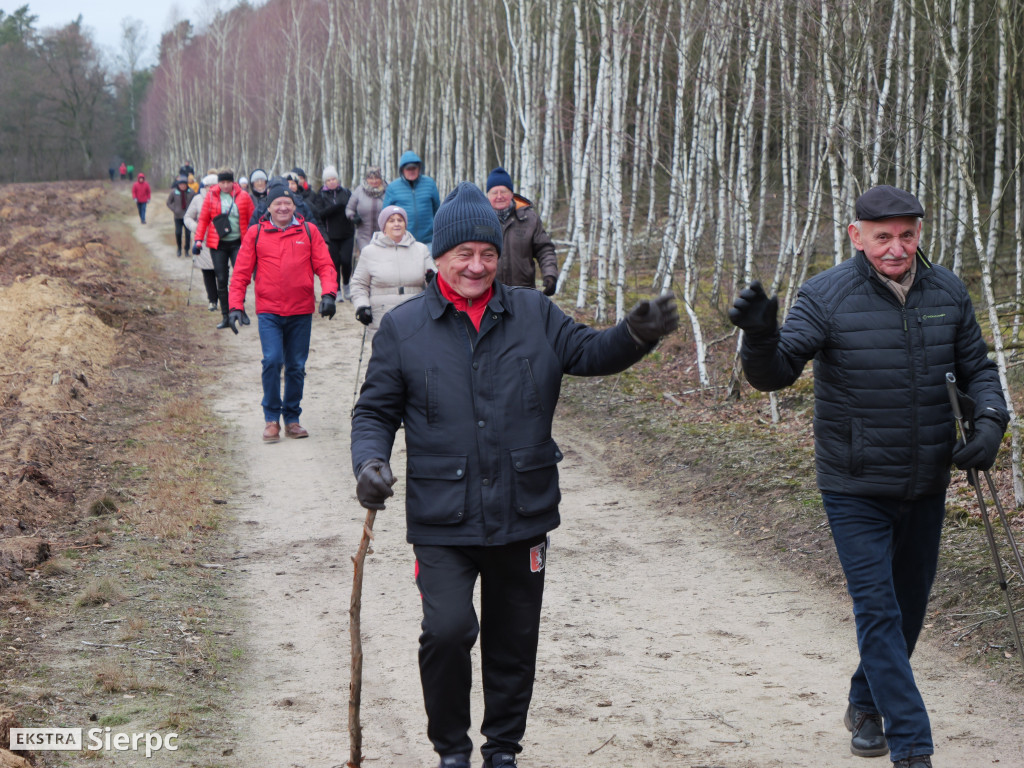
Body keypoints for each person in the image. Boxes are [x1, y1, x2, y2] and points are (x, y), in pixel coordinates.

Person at [350, 182, 679, 768]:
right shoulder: (403, 330)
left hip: (521, 513)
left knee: (513, 643)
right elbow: (374, 410)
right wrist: (369, 462)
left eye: (488, 255)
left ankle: (502, 751)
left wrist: (636, 335)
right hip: (442, 518)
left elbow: (591, 353)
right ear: (440, 258)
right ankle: (452, 751)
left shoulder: (533, 312)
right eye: (464, 255)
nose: (477, 266)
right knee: (448, 632)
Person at [728, 185, 1008, 768]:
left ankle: (864, 701)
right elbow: (775, 374)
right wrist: (759, 337)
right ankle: (912, 749)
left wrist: (990, 422)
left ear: (918, 235)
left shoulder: (947, 290)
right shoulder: (826, 294)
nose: (896, 248)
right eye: (883, 236)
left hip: (928, 480)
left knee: (906, 611)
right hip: (854, 485)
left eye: (907, 235)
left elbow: (977, 368)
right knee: (877, 610)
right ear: (857, 235)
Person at [228, 180, 338, 442]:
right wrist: (235, 306)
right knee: (273, 360)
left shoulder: (309, 231)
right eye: (277, 203)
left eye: (287, 203)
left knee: (296, 366)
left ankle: (292, 418)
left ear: (294, 206)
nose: (283, 207)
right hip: (270, 311)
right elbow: (241, 273)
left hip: (300, 311)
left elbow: (325, 266)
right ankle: (271, 419)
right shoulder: (256, 234)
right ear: (268, 207)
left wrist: (329, 294)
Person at [349, 204, 433, 336]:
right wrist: (362, 306)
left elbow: (436, 284)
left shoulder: (421, 249)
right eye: (391, 220)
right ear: (384, 226)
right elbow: (359, 284)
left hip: (414, 313)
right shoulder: (369, 252)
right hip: (382, 316)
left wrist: (433, 280)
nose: (396, 224)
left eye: (400, 220)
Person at [194, 169, 255, 330]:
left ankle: (240, 310)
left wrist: (253, 241)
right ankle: (226, 316)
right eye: (222, 182)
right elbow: (203, 220)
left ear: (233, 182)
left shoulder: (244, 197)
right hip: (218, 244)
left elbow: (252, 219)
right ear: (218, 183)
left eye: (228, 182)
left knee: (239, 278)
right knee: (221, 279)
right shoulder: (211, 196)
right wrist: (198, 240)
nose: (226, 185)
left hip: (238, 243)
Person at [485, 167, 558, 295]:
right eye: (494, 192)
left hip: (523, 293)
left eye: (504, 191)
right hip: (488, 293)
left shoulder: (529, 218)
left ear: (512, 193)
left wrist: (550, 275)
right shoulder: (479, 220)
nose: (499, 196)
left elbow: (545, 249)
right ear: (487, 195)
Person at [312, 165, 356, 301]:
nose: (332, 182)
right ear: (325, 182)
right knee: (334, 263)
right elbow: (319, 214)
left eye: (334, 179)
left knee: (347, 261)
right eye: (328, 180)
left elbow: (353, 207)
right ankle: (337, 291)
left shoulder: (346, 192)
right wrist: (336, 208)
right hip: (331, 235)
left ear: (338, 180)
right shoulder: (321, 195)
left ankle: (347, 285)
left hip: (347, 233)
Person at [382, 150, 441, 245]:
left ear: (419, 169)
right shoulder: (393, 187)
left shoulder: (430, 184)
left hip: (428, 240)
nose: (411, 171)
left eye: (414, 168)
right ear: (402, 170)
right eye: (408, 169)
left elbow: (437, 210)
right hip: (402, 240)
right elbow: (385, 214)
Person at [183, 174, 221, 312]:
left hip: (221, 240)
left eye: (214, 185)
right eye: (209, 186)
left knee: (222, 272)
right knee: (207, 272)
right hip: (203, 241)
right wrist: (196, 227)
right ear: (204, 186)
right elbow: (187, 217)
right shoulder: (198, 199)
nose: (212, 188)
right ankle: (212, 300)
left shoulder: (224, 199)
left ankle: (224, 299)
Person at [347, 166, 387, 252]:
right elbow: (349, 209)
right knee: (367, 258)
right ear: (366, 179)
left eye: (377, 178)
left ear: (381, 178)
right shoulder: (359, 191)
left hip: (384, 236)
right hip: (364, 236)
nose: (374, 181)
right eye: (371, 178)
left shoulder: (387, 191)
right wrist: (353, 217)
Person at [166, 176, 196, 257]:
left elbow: (195, 203)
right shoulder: (174, 192)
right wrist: (175, 209)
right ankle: (179, 248)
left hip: (188, 217)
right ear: (178, 185)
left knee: (188, 234)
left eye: (184, 184)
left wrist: (193, 212)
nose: (182, 186)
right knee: (178, 233)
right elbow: (168, 202)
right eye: (181, 185)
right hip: (178, 216)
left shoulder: (191, 192)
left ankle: (186, 250)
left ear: (186, 185)